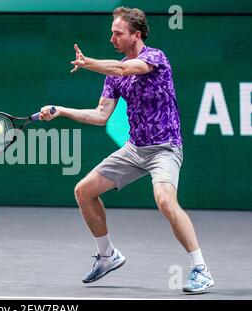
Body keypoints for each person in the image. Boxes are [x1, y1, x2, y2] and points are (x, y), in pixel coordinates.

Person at [39, 7, 214, 293]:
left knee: (165, 200)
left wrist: (88, 63)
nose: (112, 39)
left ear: (137, 35)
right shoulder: (114, 76)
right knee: (84, 191)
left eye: (118, 33)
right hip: (135, 150)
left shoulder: (156, 58)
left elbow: (123, 68)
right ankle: (107, 256)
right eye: (112, 33)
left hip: (165, 149)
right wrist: (60, 111)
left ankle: (200, 268)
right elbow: (100, 116)